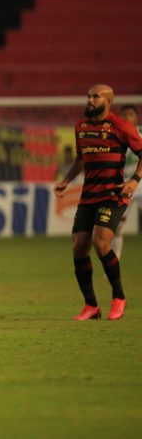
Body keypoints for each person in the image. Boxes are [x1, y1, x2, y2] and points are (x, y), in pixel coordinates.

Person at [54, 85, 142, 321]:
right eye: (89, 96)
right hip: (88, 195)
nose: (90, 100)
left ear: (108, 101)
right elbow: (80, 159)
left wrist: (134, 180)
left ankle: (119, 298)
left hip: (113, 194)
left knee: (101, 243)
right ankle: (91, 305)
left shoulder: (121, 126)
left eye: (96, 97)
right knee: (79, 246)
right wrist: (66, 180)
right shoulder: (81, 128)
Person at [111, 104, 141, 260]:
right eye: (124, 114)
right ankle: (114, 262)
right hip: (124, 187)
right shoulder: (115, 138)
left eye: (130, 114)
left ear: (136, 118)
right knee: (117, 227)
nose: (127, 117)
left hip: (140, 184)